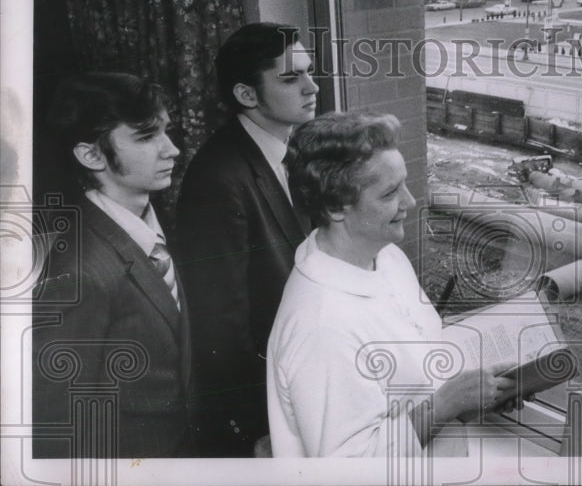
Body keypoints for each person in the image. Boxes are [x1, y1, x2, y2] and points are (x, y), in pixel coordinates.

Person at [266, 111, 515, 457]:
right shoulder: (322, 326)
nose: (410, 202)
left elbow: (421, 355)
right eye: (389, 194)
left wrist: (485, 387)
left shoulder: (385, 257)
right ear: (337, 207)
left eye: (405, 184)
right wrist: (445, 404)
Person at [176, 23, 318, 457]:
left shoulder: (289, 148)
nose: (312, 87)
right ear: (246, 95)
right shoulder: (217, 180)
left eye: (309, 72)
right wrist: (261, 426)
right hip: (267, 414)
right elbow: (221, 328)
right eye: (291, 78)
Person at [33, 72, 192, 458]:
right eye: (145, 136)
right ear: (90, 155)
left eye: (166, 131)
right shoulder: (80, 270)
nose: (171, 149)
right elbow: (57, 426)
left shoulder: (150, 226)